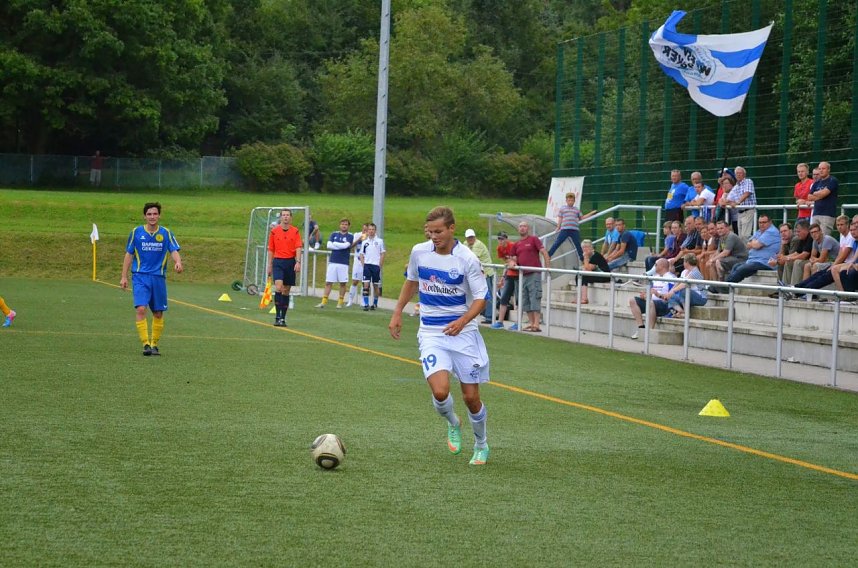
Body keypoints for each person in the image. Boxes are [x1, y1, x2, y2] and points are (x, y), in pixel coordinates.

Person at [389, 206, 491, 466]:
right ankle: (453, 422)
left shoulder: (467, 259)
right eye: (430, 232)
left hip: (464, 334)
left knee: (471, 398)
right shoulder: (419, 252)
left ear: (451, 229)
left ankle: (481, 444)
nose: (433, 237)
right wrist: (397, 311)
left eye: (438, 232)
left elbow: (482, 298)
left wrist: (463, 321)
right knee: (440, 391)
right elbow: (412, 282)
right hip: (431, 332)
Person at [119, 202, 183, 355]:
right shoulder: (136, 232)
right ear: (144, 216)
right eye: (149, 214)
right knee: (141, 308)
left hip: (158, 277)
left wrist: (178, 262)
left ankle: (154, 344)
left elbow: (174, 250)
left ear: (159, 215)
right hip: (140, 276)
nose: (152, 217)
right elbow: (129, 254)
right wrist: (123, 276)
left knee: (158, 313)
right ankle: (145, 344)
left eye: (155, 214)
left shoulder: (166, 233)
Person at [786, 219, 858, 300]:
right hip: (842, 263)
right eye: (838, 225)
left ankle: (800, 291)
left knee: (826, 274)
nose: (839, 227)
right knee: (819, 273)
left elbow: (841, 257)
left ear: (821, 231)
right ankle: (796, 288)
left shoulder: (848, 238)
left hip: (844, 264)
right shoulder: (846, 238)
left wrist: (835, 265)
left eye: (854, 229)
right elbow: (840, 255)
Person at [717, 214, 780, 289]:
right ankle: (728, 287)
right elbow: (748, 245)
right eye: (760, 222)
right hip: (754, 260)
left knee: (741, 269)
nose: (761, 224)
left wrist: (755, 243)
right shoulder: (759, 231)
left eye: (764, 222)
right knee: (736, 266)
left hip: (765, 262)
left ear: (770, 222)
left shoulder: (771, 232)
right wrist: (755, 243)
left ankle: (724, 287)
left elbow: (756, 245)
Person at [509, 221, 550, 332]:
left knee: (534, 297)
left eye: (524, 226)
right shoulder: (517, 244)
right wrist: (512, 263)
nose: (522, 228)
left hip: (534, 273)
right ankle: (532, 324)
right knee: (525, 300)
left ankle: (536, 324)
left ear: (528, 229)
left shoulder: (533, 239)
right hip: (522, 275)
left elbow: (544, 252)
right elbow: (512, 258)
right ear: (518, 229)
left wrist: (547, 268)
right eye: (520, 226)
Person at [267, 209, 303, 326]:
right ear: (280, 217)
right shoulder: (274, 231)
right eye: (283, 215)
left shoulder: (295, 231)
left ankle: (283, 318)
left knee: (286, 290)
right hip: (278, 261)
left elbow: (298, 247)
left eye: (287, 215)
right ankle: (277, 317)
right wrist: (269, 264)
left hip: (290, 262)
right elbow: (271, 249)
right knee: (278, 287)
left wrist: (298, 262)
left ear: (291, 217)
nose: (286, 217)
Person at [628, 258, 675, 339]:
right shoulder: (655, 277)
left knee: (650, 303)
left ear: (662, 266)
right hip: (653, 303)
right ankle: (641, 328)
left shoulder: (671, 278)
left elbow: (672, 297)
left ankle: (649, 331)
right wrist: (646, 295)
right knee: (632, 300)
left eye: (656, 265)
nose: (654, 267)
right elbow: (651, 292)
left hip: (665, 305)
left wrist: (658, 295)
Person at [316, 218, 355, 309]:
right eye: (342, 224)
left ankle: (340, 302)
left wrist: (335, 244)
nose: (344, 226)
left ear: (348, 226)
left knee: (343, 283)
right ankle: (323, 302)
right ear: (339, 225)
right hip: (333, 262)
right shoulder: (334, 234)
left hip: (343, 263)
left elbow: (346, 246)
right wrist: (341, 246)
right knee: (328, 282)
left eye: (346, 224)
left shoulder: (350, 235)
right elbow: (329, 245)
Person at [547, 192, 596, 261]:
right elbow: (560, 218)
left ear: (574, 201)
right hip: (565, 229)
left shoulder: (576, 209)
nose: (570, 202)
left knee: (578, 245)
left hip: (574, 230)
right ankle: (549, 254)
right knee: (558, 242)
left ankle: (582, 259)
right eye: (569, 200)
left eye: (572, 200)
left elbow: (582, 217)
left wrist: (591, 213)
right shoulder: (563, 208)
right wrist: (558, 227)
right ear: (566, 201)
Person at [463, 228, 494, 323]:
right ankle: (483, 313)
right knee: (477, 295)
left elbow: (472, 258)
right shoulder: (465, 244)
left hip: (486, 272)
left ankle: (489, 316)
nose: (470, 239)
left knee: (487, 294)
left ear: (475, 237)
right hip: (477, 273)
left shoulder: (478, 244)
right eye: (469, 237)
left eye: (472, 237)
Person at [718, 166, 757, 240]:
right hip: (740, 213)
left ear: (744, 174)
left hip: (748, 211)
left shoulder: (748, 181)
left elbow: (747, 193)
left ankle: (747, 248)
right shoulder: (736, 186)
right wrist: (724, 202)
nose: (738, 175)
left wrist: (737, 202)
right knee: (740, 236)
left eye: (740, 173)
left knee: (745, 236)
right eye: (737, 173)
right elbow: (728, 199)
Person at [492, 232, 518, 329]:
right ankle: (500, 322)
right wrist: (502, 278)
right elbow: (506, 263)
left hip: (518, 274)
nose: (501, 241)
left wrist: (512, 262)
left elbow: (517, 260)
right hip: (509, 274)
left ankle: (517, 323)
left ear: (506, 239)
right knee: (504, 298)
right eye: (499, 239)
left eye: (502, 239)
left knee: (517, 300)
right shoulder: (499, 248)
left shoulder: (513, 246)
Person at [807, 161, 839, 236]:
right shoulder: (817, 182)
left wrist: (815, 193)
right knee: (814, 238)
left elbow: (824, 193)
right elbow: (809, 197)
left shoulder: (832, 180)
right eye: (819, 169)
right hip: (816, 213)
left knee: (824, 238)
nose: (821, 170)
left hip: (827, 214)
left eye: (823, 168)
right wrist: (820, 194)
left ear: (828, 169)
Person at [359, 223, 385, 311]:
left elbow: (382, 253)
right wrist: (364, 265)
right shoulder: (365, 242)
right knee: (366, 285)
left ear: (375, 230)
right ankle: (366, 304)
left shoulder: (380, 241)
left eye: (372, 229)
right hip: (367, 265)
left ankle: (375, 303)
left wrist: (379, 265)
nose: (371, 231)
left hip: (375, 266)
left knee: (375, 285)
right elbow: (361, 254)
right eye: (369, 229)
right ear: (367, 231)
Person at [780, 219, 812, 286]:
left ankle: (795, 287)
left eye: (798, 231)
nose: (797, 234)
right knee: (788, 262)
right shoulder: (802, 238)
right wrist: (785, 257)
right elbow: (797, 253)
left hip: (811, 261)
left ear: (806, 230)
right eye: (796, 231)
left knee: (797, 262)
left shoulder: (810, 237)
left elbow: (804, 255)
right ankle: (785, 286)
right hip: (806, 260)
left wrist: (789, 258)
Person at [579, 239, 610, 304]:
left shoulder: (595, 255)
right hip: (596, 274)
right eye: (583, 247)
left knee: (584, 276)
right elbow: (585, 268)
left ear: (591, 247)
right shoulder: (586, 255)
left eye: (587, 247)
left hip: (604, 276)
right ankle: (579, 297)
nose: (585, 249)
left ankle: (584, 299)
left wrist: (586, 257)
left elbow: (588, 269)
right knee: (578, 276)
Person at [346, 223, 368, 307]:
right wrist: (359, 239)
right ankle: (350, 300)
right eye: (364, 229)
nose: (365, 231)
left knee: (364, 282)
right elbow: (351, 246)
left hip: (366, 261)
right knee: (355, 281)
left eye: (366, 230)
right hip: (357, 261)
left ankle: (363, 300)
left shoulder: (371, 237)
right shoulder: (357, 235)